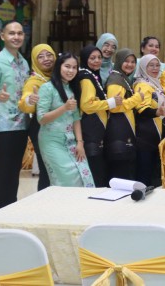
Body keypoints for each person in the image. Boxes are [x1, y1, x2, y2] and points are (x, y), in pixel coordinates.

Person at [0, 20, 30, 211]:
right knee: (0, 171)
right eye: (11, 33)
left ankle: (9, 209)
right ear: (3, 36)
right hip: (3, 125)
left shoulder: (23, 63)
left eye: (19, 33)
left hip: (22, 123)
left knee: (14, 171)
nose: (16, 37)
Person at [36, 52, 94, 187]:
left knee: (82, 174)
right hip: (51, 141)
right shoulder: (47, 88)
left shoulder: (72, 89)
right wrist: (64, 107)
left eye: (74, 68)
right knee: (66, 179)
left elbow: (76, 118)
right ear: (59, 66)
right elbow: (41, 118)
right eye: (67, 66)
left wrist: (80, 143)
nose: (71, 71)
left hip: (70, 140)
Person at [78, 45, 121, 187]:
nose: (97, 61)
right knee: (96, 172)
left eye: (99, 57)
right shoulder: (86, 78)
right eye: (92, 58)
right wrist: (111, 102)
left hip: (96, 129)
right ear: (85, 59)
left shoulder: (91, 75)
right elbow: (87, 105)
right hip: (91, 129)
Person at [18, 43, 55, 191]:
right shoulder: (34, 81)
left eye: (49, 55)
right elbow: (24, 102)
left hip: (56, 128)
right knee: (47, 172)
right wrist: (29, 100)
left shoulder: (57, 76)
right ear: (34, 60)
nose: (46, 59)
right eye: (41, 56)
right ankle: (44, 202)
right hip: (41, 129)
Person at [104, 49, 144, 180]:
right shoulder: (116, 80)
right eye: (126, 61)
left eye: (133, 62)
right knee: (121, 174)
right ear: (119, 61)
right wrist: (137, 98)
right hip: (118, 131)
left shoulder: (122, 78)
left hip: (123, 130)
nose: (130, 64)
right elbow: (115, 107)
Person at [133, 54, 165, 187]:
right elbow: (141, 110)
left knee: (153, 176)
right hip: (145, 137)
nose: (155, 68)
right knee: (145, 176)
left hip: (154, 136)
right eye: (151, 65)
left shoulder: (155, 83)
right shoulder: (142, 85)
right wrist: (157, 112)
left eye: (157, 65)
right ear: (143, 67)